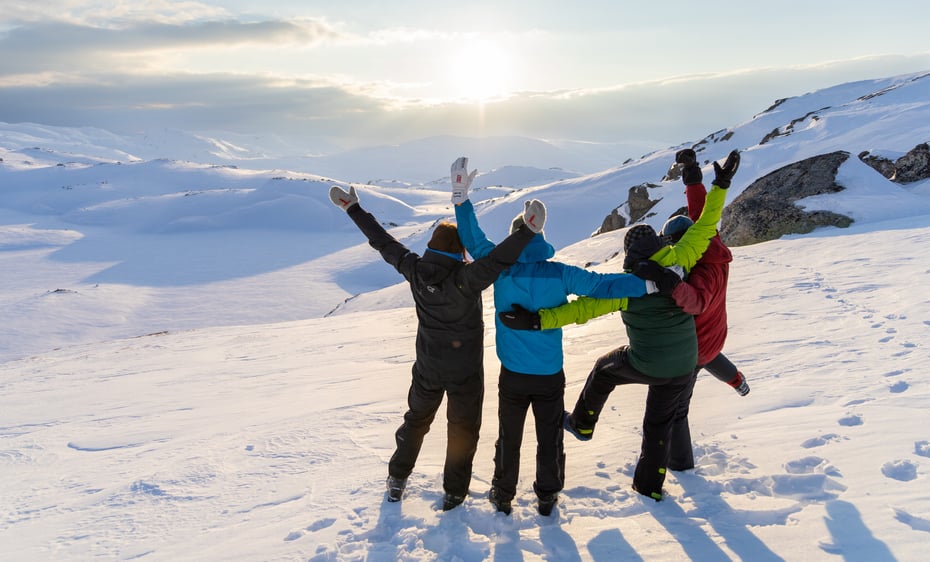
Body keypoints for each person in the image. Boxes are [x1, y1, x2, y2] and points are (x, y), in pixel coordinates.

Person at [499, 150, 740, 501]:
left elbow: (583, 310)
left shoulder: (629, 289)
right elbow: (705, 226)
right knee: (659, 422)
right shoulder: (683, 258)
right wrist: (716, 184)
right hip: (686, 363)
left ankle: (583, 423)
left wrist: (538, 321)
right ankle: (649, 487)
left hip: (649, 361)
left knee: (604, 370)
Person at [450, 157, 663, 516]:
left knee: (509, 437)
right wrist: (650, 283)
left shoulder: (501, 269)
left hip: (513, 374)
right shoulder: (559, 274)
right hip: (549, 374)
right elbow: (602, 285)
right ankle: (547, 495)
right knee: (549, 436)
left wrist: (461, 199)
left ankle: (503, 494)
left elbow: (473, 239)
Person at [328, 183, 546, 511]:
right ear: (459, 252)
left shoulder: (414, 269)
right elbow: (499, 260)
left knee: (416, 421)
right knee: (462, 430)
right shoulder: (466, 278)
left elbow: (382, 242)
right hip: (465, 374)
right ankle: (454, 492)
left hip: (428, 369)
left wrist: (353, 209)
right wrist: (528, 232)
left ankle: (398, 479)